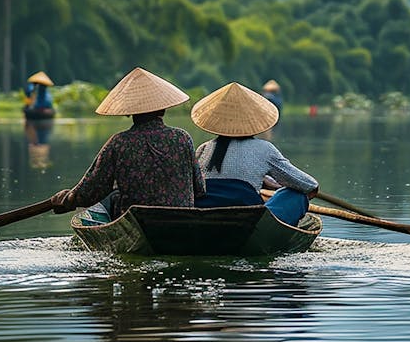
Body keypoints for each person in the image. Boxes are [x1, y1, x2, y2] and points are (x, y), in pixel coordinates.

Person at [51, 67, 205, 218]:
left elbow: (91, 191)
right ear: (163, 109)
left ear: (130, 113)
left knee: (112, 197)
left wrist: (70, 198)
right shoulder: (182, 138)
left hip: (138, 219)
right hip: (181, 217)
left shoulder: (119, 143)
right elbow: (199, 188)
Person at [192, 82, 318, 226]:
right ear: (253, 121)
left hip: (205, 217)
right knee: (296, 195)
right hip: (247, 222)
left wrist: (263, 181)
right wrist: (277, 186)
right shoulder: (265, 148)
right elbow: (310, 186)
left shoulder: (204, 148)